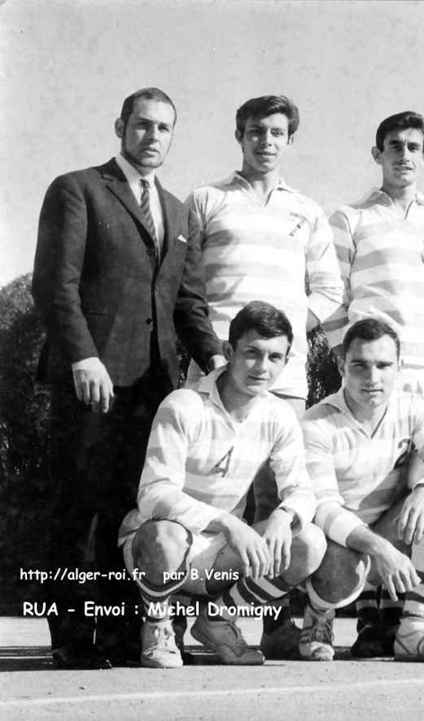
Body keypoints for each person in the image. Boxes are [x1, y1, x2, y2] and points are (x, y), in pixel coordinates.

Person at [31, 87, 222, 669]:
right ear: (120, 126)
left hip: (154, 390)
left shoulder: (179, 211)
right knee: (78, 508)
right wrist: (83, 356)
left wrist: (216, 364)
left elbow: (186, 302)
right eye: (142, 125)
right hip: (90, 379)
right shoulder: (78, 189)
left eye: (164, 128)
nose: (152, 137)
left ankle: (115, 632)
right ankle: (70, 636)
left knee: (130, 512)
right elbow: (54, 284)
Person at [185, 94, 343, 657]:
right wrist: (215, 354)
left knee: (280, 500)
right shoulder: (205, 199)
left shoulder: (308, 209)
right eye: (255, 131)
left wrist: (282, 336)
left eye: (277, 132)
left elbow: (329, 288)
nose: (266, 141)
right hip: (216, 370)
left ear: (289, 140)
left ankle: (276, 621)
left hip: (285, 376)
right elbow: (187, 289)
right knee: (213, 495)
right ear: (239, 135)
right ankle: (189, 618)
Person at [117, 301, 325, 669]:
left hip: (220, 558)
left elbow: (302, 491)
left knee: (309, 541)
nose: (263, 367)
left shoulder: (278, 415)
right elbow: (153, 495)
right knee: (164, 537)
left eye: (275, 357)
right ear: (228, 351)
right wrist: (230, 523)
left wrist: (283, 516)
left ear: (286, 361)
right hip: (160, 545)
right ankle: (159, 622)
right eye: (252, 353)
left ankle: (216, 621)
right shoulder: (183, 405)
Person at [299, 319, 424, 662]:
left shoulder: (412, 408)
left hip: (389, 535)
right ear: (340, 365)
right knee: (341, 568)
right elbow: (324, 509)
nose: (372, 377)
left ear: (399, 367)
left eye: (383, 365)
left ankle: (414, 628)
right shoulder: (315, 423)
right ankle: (318, 615)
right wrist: (380, 549)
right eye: (360, 365)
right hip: (340, 546)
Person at [322, 111, 424, 409]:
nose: (404, 155)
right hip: (371, 367)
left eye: (413, 147)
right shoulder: (349, 218)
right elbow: (333, 296)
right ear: (377, 154)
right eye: (394, 146)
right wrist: (345, 352)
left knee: (421, 456)